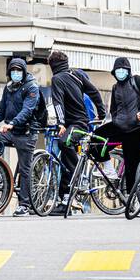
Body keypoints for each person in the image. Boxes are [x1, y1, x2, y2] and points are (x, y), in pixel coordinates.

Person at [0, 57, 41, 216]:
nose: (15, 73)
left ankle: (24, 205)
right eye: (12, 71)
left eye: (18, 70)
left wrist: (12, 123)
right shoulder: (9, 88)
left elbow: (27, 110)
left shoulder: (32, 87)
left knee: (25, 169)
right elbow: (1, 112)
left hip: (26, 132)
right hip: (10, 131)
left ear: (24, 72)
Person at [48, 49, 105, 214]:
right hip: (78, 123)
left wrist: (60, 123)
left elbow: (57, 102)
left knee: (64, 142)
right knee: (65, 159)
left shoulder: (57, 78)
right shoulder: (77, 74)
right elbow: (94, 92)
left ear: (52, 66)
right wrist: (101, 113)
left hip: (78, 124)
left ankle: (78, 175)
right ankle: (65, 199)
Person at [94, 56, 140, 192]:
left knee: (132, 166)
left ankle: (134, 200)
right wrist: (116, 121)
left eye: (123, 70)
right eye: (117, 70)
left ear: (128, 70)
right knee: (95, 139)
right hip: (121, 127)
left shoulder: (137, 81)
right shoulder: (115, 87)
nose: (120, 72)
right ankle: (109, 170)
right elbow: (113, 109)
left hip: (138, 129)